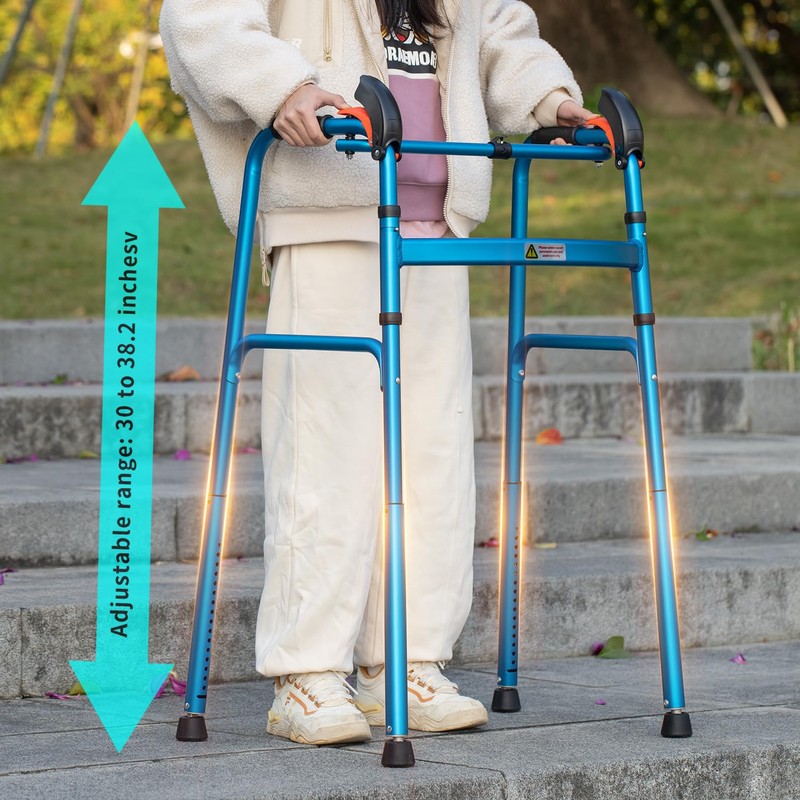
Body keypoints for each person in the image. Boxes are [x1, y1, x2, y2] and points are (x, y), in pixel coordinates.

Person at [160, 0, 593, 746]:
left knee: (433, 457)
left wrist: (552, 100)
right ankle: (306, 672)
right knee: (325, 450)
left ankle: (406, 662)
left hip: (434, 224)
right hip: (328, 210)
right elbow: (200, 19)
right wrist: (284, 87)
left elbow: (496, 32)